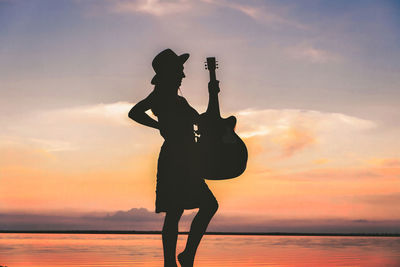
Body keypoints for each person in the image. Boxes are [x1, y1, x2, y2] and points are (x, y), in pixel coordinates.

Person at [128, 49, 219, 267]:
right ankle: (173, 261)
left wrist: (212, 94)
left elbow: (201, 121)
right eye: (180, 70)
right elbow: (134, 112)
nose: (183, 75)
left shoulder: (179, 100)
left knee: (196, 208)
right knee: (180, 210)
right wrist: (159, 125)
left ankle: (183, 257)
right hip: (176, 158)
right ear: (170, 72)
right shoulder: (160, 96)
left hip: (187, 158)